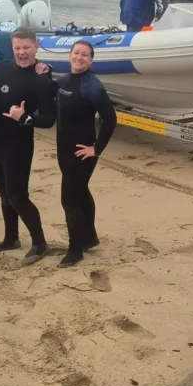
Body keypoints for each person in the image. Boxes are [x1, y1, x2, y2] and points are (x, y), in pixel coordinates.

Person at [0, 27, 58, 265]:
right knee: (3, 193)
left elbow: (49, 119)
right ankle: (11, 239)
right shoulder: (0, 68)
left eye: (26, 48)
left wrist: (24, 118)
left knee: (18, 196)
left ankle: (40, 244)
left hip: (18, 146)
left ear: (36, 46)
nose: (22, 53)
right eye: (17, 48)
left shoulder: (41, 79)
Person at [55, 40, 117, 267]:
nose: (79, 57)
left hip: (82, 154)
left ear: (91, 60)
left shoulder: (92, 85)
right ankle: (89, 238)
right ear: (70, 55)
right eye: (76, 53)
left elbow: (111, 119)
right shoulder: (63, 81)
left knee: (69, 199)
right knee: (80, 193)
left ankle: (75, 250)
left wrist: (96, 149)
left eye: (84, 55)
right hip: (63, 148)